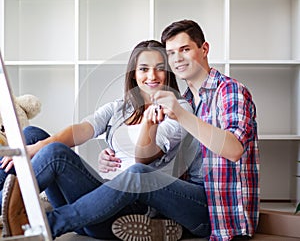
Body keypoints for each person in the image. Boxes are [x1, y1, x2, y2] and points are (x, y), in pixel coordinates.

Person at [0, 40, 212, 240]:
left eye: (159, 68)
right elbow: (82, 130)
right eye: (144, 69)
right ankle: (5, 209)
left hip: (125, 206)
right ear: (134, 73)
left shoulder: (178, 109)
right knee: (32, 136)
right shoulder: (120, 107)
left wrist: (150, 123)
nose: (152, 75)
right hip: (95, 200)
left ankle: (41, 223)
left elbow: (142, 158)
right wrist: (37, 146)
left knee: (56, 154)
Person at [99, 20, 260, 241]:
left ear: (204, 49)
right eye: (171, 53)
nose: (177, 58)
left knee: (138, 173)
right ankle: (160, 227)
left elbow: (234, 150)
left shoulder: (229, 91)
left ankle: (56, 221)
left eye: (185, 49)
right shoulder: (184, 101)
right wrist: (113, 154)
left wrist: (181, 115)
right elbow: (159, 154)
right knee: (102, 219)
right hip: (183, 204)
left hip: (220, 212)